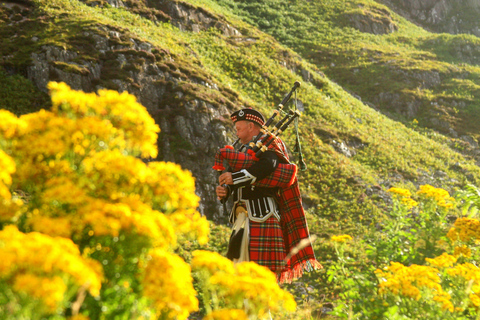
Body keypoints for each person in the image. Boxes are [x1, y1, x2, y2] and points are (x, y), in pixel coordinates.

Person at [216, 108, 288, 276]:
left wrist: (235, 178)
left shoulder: (269, 144)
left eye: (239, 129)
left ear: (250, 126)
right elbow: (235, 179)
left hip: (262, 214)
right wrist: (225, 190)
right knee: (238, 267)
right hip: (242, 217)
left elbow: (267, 166)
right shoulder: (242, 151)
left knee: (261, 271)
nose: (237, 133)